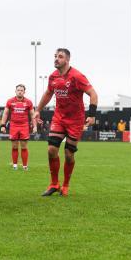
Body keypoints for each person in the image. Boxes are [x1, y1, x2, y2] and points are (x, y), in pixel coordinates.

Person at [34, 48, 98, 197]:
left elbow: (93, 94)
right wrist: (38, 110)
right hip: (59, 118)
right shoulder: (53, 77)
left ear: (67, 60)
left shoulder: (77, 76)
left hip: (75, 120)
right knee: (51, 150)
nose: (56, 59)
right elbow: (48, 93)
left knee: (69, 154)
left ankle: (66, 185)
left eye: (60, 57)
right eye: (55, 56)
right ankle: (54, 184)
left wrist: (92, 115)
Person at [1, 84, 37, 170]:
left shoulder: (28, 102)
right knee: (14, 146)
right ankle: (15, 165)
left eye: (21, 90)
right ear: (15, 91)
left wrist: (35, 126)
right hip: (14, 125)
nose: (20, 91)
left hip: (24, 125)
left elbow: (32, 115)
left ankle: (25, 166)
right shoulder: (10, 101)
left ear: (24, 92)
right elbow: (5, 113)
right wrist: (3, 125)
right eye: (18, 90)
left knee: (24, 146)